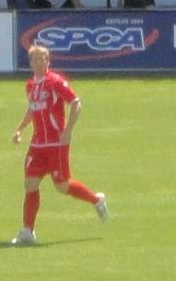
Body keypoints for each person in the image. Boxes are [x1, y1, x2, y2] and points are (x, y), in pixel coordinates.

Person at [9, 41, 108, 245]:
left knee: (62, 186)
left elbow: (76, 103)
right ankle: (28, 231)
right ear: (31, 62)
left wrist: (68, 130)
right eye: (35, 59)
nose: (39, 63)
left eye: (42, 59)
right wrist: (19, 129)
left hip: (56, 142)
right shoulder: (30, 85)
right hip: (38, 144)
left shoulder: (55, 82)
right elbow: (32, 109)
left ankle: (96, 200)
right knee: (30, 184)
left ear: (48, 61)